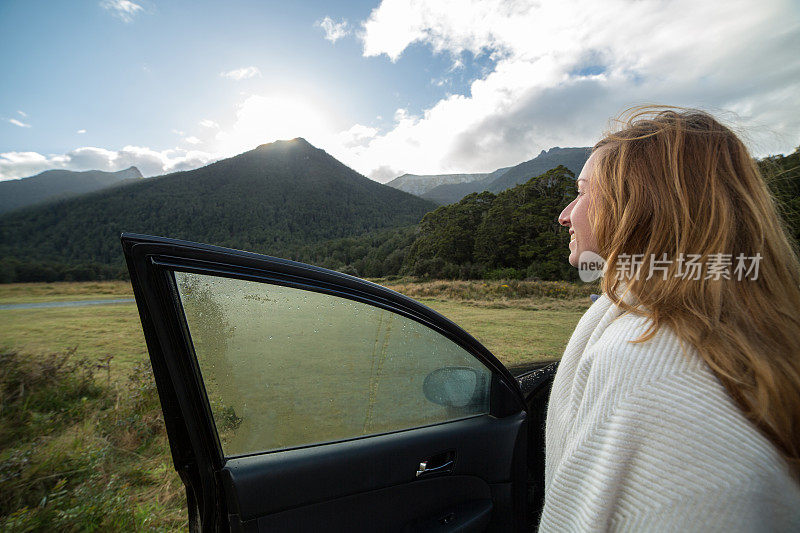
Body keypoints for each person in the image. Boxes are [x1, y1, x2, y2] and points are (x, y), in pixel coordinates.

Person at [540, 106, 800, 531]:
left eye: (582, 192)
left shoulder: (646, 362)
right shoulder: (746, 333)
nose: (565, 214)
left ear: (639, 205)